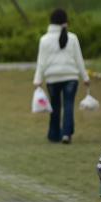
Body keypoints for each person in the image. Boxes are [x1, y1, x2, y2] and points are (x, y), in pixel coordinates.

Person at [34, 9, 90, 145]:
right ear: (65, 21)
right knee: (68, 105)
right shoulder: (73, 38)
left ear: (51, 22)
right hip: (71, 77)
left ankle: (54, 135)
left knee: (55, 106)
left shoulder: (44, 40)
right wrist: (85, 77)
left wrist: (38, 79)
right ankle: (66, 134)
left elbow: (41, 62)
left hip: (52, 78)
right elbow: (79, 59)